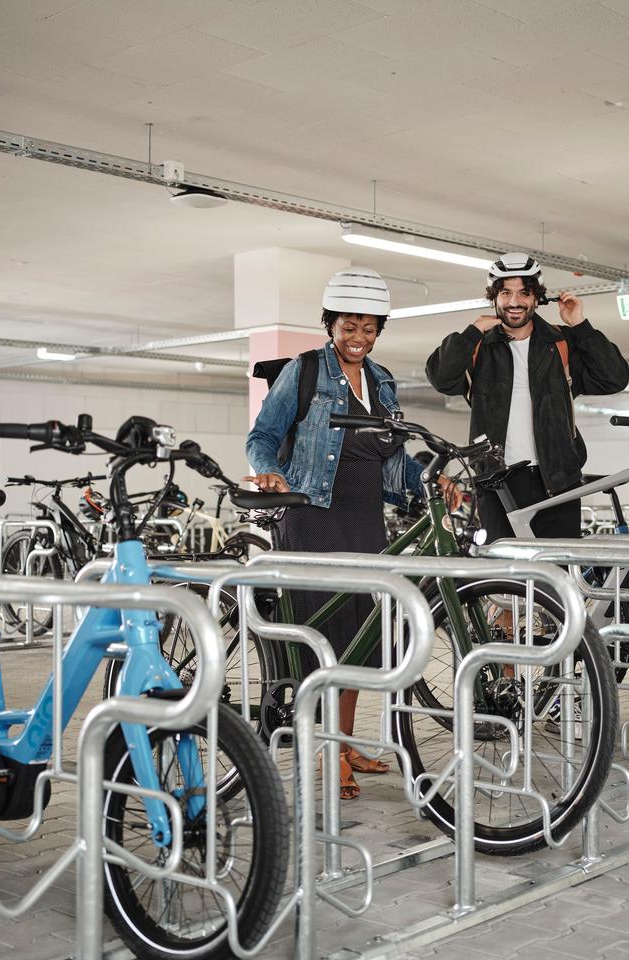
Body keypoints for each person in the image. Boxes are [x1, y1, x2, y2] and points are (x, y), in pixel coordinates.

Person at [245, 267, 461, 800]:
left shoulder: (383, 381)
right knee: (325, 641)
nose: (358, 338)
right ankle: (326, 749)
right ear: (330, 324)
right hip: (313, 515)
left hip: (365, 518)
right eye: (348, 327)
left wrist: (433, 481)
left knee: (359, 638)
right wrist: (269, 470)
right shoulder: (306, 371)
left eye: (368, 328)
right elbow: (263, 435)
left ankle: (342, 743)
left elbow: (395, 455)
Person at [425, 252, 629, 541]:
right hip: (497, 483)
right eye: (506, 292)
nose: (515, 302)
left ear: (536, 298)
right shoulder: (479, 348)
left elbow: (614, 377)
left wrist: (580, 325)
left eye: (524, 292)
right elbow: (441, 378)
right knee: (505, 575)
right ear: (494, 297)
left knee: (556, 574)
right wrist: (473, 331)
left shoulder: (560, 343)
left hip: (558, 482)